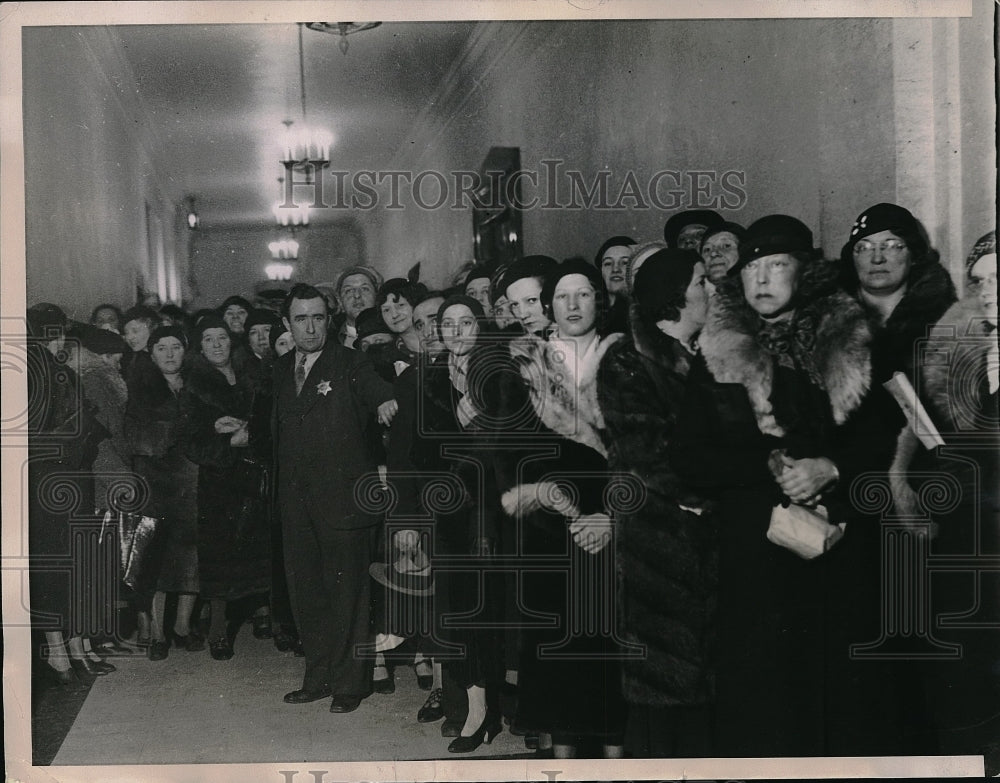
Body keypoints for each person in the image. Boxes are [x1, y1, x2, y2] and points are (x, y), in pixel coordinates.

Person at [672, 214, 874, 756]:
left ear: (804, 272)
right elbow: (688, 458)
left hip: (840, 549)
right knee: (763, 704)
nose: (761, 279)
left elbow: (885, 441)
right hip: (754, 552)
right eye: (752, 267)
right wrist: (766, 466)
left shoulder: (849, 340)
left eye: (777, 265)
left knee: (837, 699)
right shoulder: (717, 354)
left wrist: (833, 469)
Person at [835, 202, 958, 752]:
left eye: (890, 245)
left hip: (922, 503)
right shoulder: (830, 322)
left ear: (914, 251)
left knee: (922, 638)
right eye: (864, 247)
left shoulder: (945, 320)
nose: (876, 256)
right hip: (846, 500)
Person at [497, 260, 628, 759]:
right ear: (548, 306)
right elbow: (509, 454)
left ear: (600, 300)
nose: (573, 306)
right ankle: (564, 764)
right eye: (562, 297)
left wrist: (613, 517)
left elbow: (646, 450)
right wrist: (558, 506)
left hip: (616, 524)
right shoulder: (524, 363)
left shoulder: (624, 358)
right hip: (553, 528)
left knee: (612, 654)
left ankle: (616, 762)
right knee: (558, 653)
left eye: (584, 295)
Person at [597, 249, 718, 757]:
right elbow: (644, 456)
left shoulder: (704, 355)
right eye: (701, 282)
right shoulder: (628, 360)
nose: (711, 291)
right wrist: (717, 494)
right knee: (665, 688)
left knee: (698, 683)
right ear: (675, 295)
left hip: (699, 540)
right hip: (660, 543)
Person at [274, 283, 396, 713]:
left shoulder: (350, 362)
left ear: (329, 319)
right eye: (301, 319)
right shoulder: (280, 370)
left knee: (349, 598)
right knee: (306, 593)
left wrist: (385, 403)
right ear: (287, 324)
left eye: (318, 317)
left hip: (344, 502)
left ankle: (350, 684)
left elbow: (377, 389)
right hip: (296, 505)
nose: (310, 327)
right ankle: (318, 676)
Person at [915, 231, 1000, 762]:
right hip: (970, 550)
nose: (986, 291)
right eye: (979, 281)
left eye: (998, 279)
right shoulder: (965, 354)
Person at [27, 304, 114, 686]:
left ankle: (69, 650)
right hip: (59, 477)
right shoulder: (47, 367)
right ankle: (64, 652)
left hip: (54, 480)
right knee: (63, 563)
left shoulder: (37, 365)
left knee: (62, 563)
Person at [180, 315, 272, 660]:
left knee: (262, 548)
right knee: (220, 556)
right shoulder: (194, 386)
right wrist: (228, 443)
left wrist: (252, 430)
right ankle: (218, 631)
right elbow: (190, 441)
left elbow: (270, 419)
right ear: (199, 347)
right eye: (209, 339)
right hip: (220, 483)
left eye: (222, 337)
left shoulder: (254, 375)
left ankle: (268, 616)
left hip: (257, 477)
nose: (217, 344)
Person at [125, 325, 202, 659]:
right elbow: (141, 441)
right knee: (156, 560)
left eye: (176, 347)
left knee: (192, 557)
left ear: (186, 351)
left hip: (194, 482)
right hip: (156, 485)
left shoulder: (198, 386)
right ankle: (157, 633)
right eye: (161, 348)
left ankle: (182, 627)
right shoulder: (140, 389)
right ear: (150, 353)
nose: (170, 354)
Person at [377, 278, 428, 363]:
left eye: (400, 305)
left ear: (415, 304)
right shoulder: (386, 358)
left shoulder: (444, 339)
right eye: (386, 310)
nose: (394, 315)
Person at [594, 235, 636, 334]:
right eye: (608, 263)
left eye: (625, 262)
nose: (616, 269)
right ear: (601, 271)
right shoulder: (591, 315)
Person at [334, 266, 381, 348]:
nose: (357, 295)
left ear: (376, 296)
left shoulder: (392, 335)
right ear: (340, 301)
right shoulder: (330, 342)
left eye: (365, 289)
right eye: (349, 290)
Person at [120, 306, 159, 384]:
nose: (129, 337)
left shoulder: (164, 358)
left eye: (135, 331)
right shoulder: (129, 360)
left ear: (152, 328)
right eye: (126, 333)